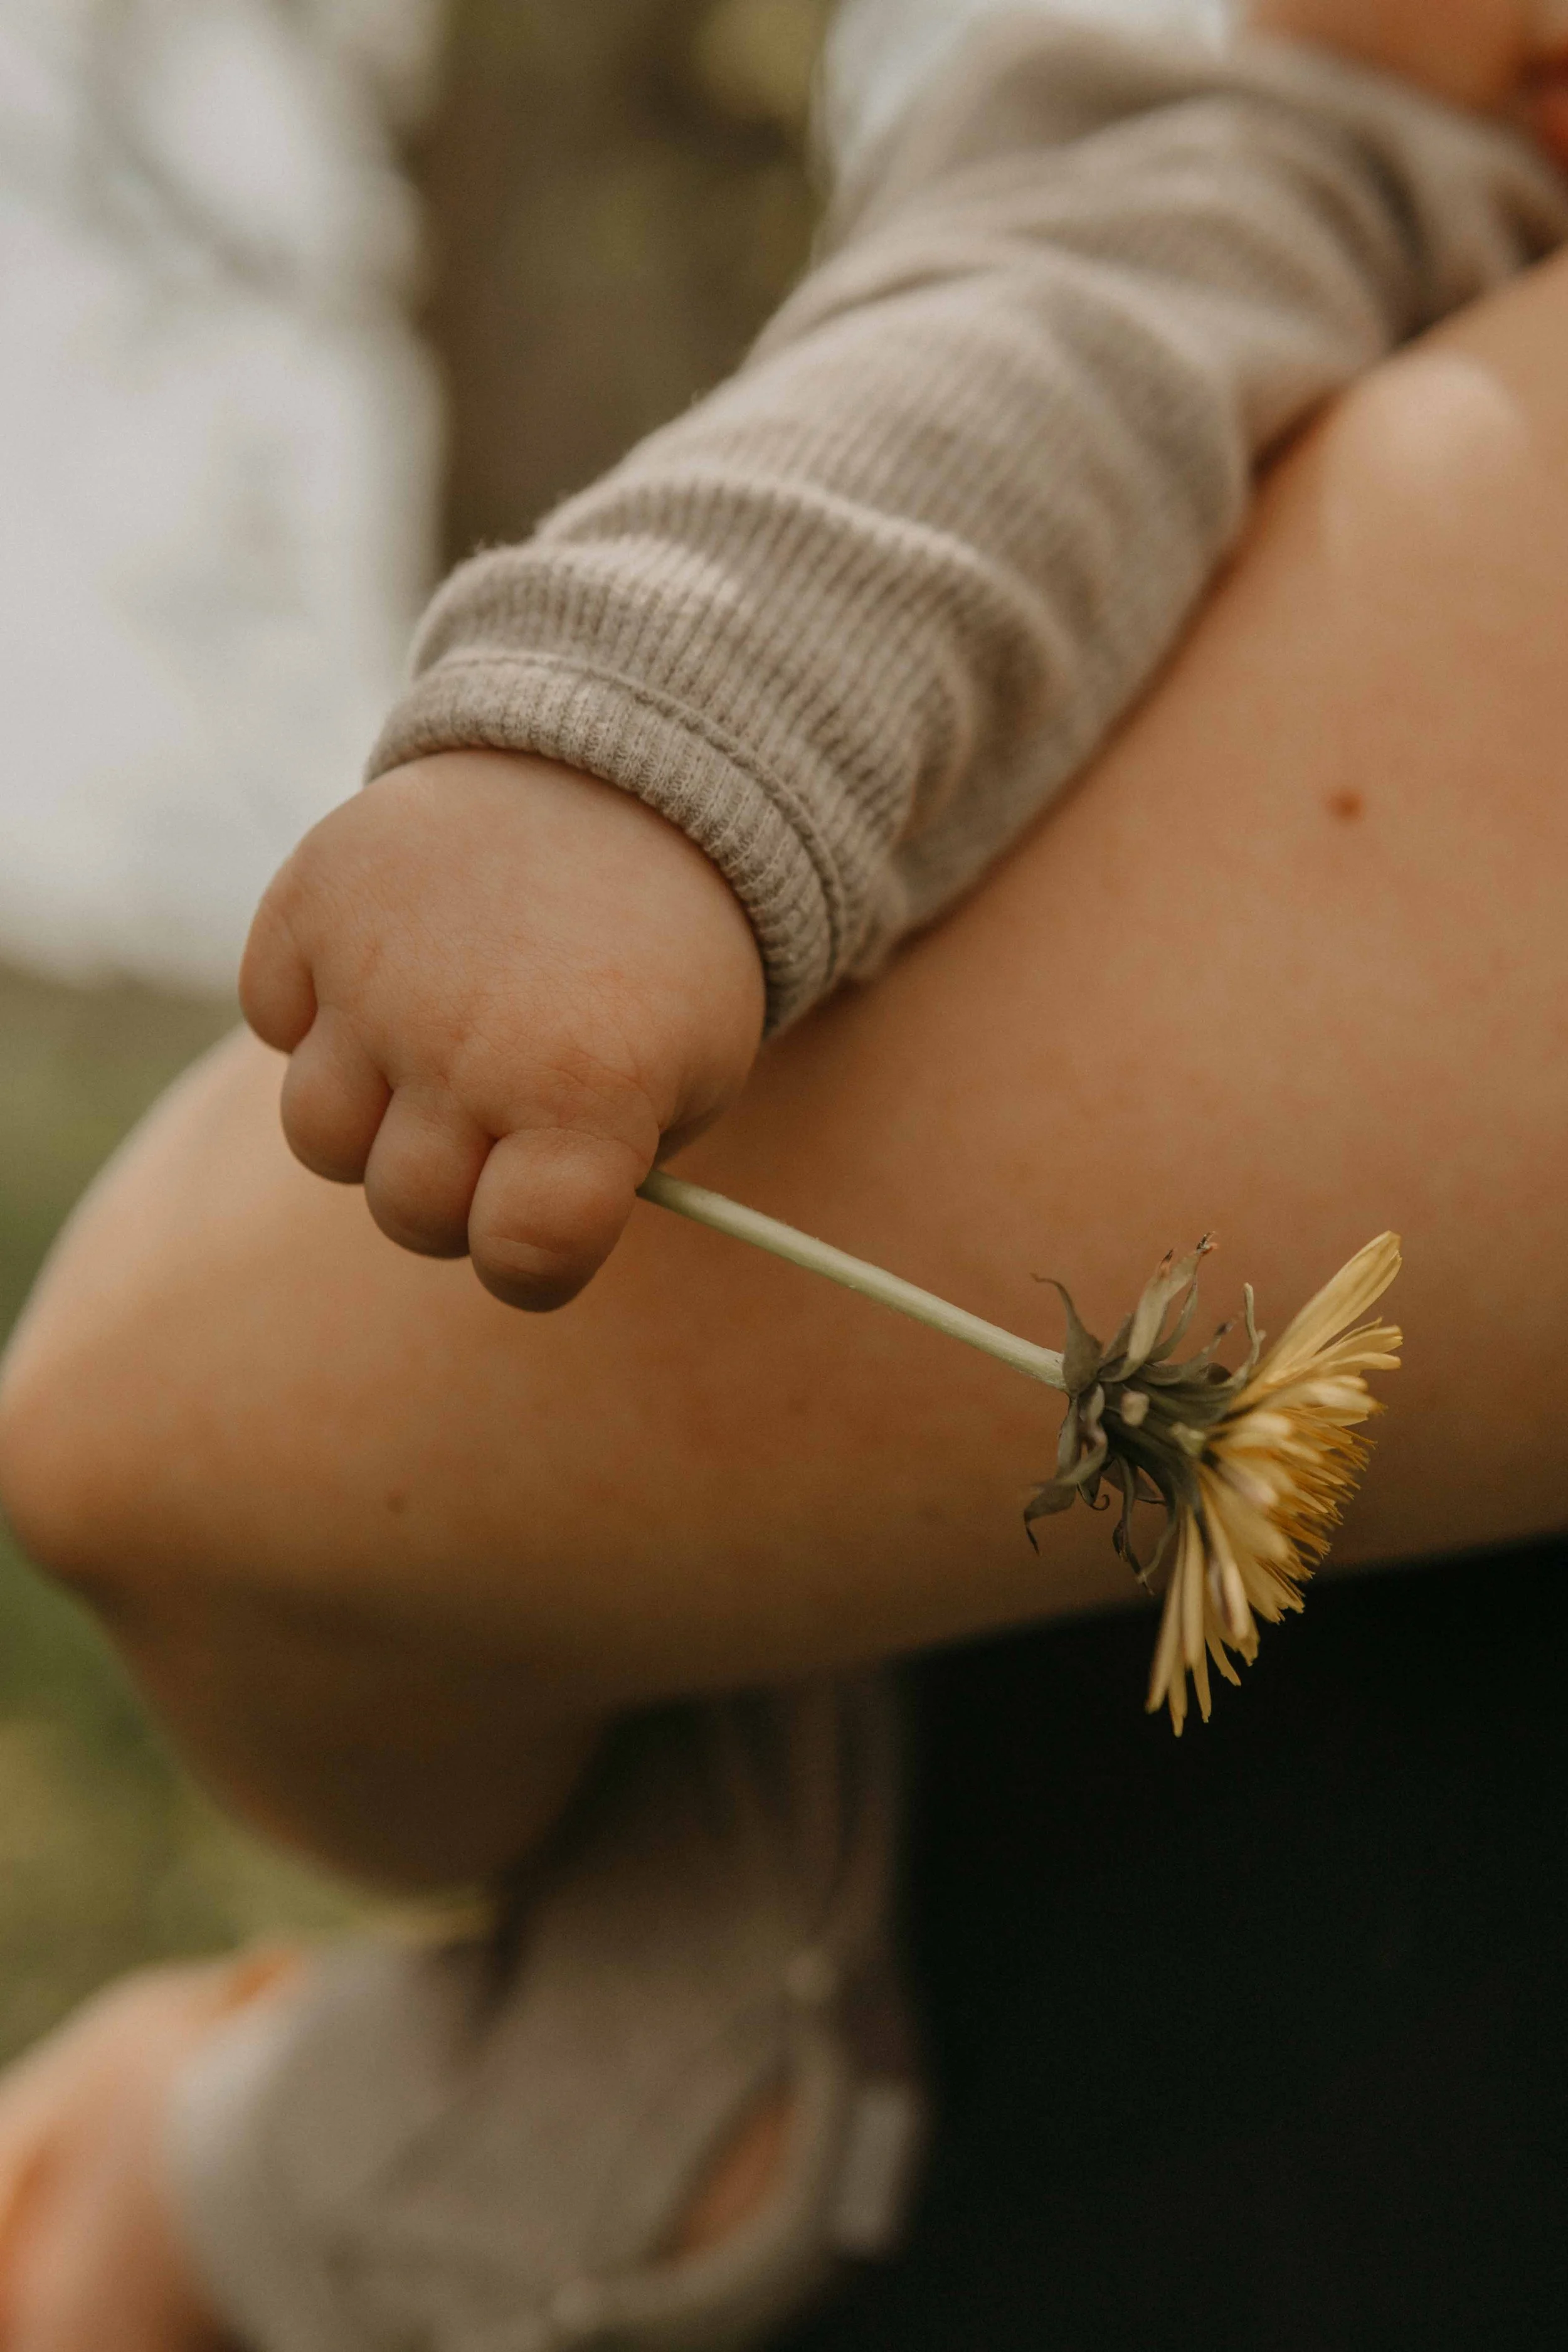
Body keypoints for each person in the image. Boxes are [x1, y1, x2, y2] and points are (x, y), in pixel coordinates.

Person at [1, 1, 1567, 2346]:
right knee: (481, 2099)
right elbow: (997, 393)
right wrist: (634, 767)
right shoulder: (1306, 168)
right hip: (762, 1996)